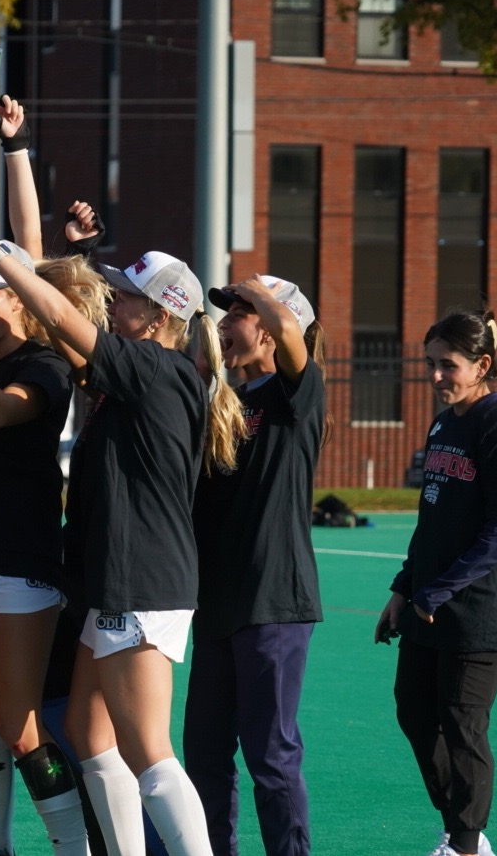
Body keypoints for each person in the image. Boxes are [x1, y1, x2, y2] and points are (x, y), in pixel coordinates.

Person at [0, 245, 244, 856]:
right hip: (117, 582)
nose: (111, 302)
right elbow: (62, 322)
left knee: (148, 749)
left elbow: (66, 322)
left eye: (124, 296)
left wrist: (2, 257)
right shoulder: (140, 373)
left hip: (141, 581)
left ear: (157, 316)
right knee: (84, 730)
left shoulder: (155, 367)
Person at [374, 309, 497, 856]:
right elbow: (431, 520)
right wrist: (402, 589)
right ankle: (462, 830)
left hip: (480, 609)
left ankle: (465, 845)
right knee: (414, 710)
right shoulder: (444, 423)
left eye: (449, 365)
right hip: (426, 602)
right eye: (431, 364)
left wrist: (438, 591)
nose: (437, 376)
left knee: (463, 725)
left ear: (482, 365)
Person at [183, 276, 326, 856]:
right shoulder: (224, 399)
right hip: (217, 604)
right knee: (205, 753)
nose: (225, 320)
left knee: (271, 755)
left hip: (272, 601)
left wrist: (255, 289)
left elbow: (295, 333)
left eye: (239, 312)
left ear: (270, 330)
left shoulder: (297, 393)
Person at [0, 245, 87, 856]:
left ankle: (71, 845)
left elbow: (3, 413)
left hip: (18, 563)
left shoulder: (44, 367)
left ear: (21, 304)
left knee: (20, 726)